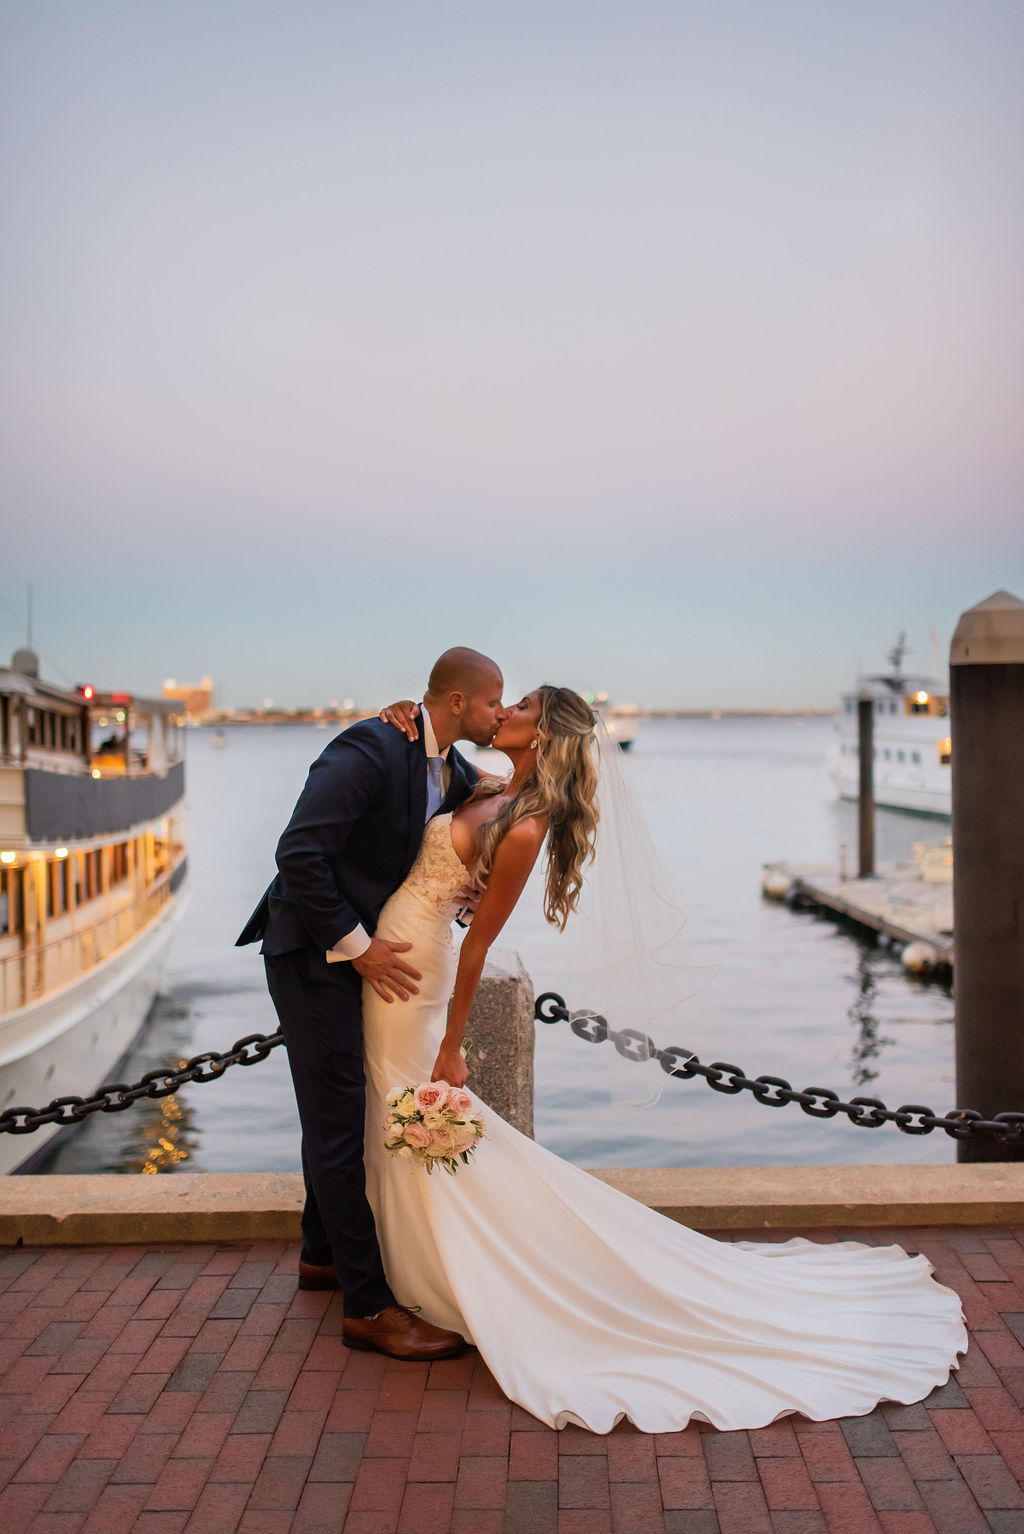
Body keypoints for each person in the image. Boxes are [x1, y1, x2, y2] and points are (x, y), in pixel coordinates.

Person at [363, 685, 966, 1432]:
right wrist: (407, 717)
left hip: (412, 978)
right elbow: (435, 761)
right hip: (395, 959)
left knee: (414, 1108)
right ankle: (411, 1268)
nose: (504, 709)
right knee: (401, 1115)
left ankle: (450, 1277)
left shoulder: (524, 825)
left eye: (518, 705)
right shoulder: (488, 787)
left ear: (542, 736)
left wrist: (454, 1044)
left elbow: (479, 943)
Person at [236, 647, 508, 1362]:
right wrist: (359, 947)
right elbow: (298, 853)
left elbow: (508, 791)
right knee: (337, 1121)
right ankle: (368, 1308)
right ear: (455, 702)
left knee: (341, 1112)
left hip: (360, 954)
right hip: (309, 950)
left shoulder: (450, 767)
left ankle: (321, 1256)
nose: (498, 713)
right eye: (491, 703)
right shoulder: (370, 745)